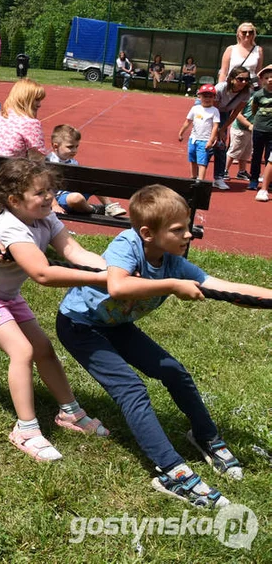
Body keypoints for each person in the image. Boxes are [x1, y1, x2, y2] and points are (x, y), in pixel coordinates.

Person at [56, 185, 272, 506]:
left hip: (115, 325)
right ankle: (171, 471)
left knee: (173, 371)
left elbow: (225, 288)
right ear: (147, 232)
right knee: (132, 389)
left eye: (188, 226)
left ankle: (205, 436)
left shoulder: (173, 262)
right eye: (178, 230)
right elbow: (117, 286)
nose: (188, 235)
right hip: (80, 325)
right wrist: (171, 286)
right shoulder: (127, 244)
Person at [0, 157, 110, 461]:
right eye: (40, 193)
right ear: (14, 200)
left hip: (6, 294)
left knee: (43, 349)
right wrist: (99, 278)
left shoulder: (46, 218)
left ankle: (70, 414)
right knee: (22, 351)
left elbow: (74, 252)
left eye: (50, 190)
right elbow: (43, 274)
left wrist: (112, 269)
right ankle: (25, 429)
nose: (49, 197)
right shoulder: (11, 227)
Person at [47, 124, 127, 217]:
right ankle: (93, 209)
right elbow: (45, 187)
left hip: (73, 191)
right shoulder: (50, 162)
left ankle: (109, 205)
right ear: (55, 146)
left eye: (77, 146)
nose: (74, 150)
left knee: (93, 179)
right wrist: (55, 205)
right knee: (76, 198)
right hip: (59, 198)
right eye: (70, 147)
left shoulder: (72, 161)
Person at [208, 65, 253, 190]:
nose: (243, 82)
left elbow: (235, 114)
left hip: (224, 114)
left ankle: (218, 178)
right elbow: (214, 111)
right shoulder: (221, 88)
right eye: (240, 79)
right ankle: (197, 176)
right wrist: (217, 130)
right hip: (210, 111)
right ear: (232, 79)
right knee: (208, 144)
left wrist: (223, 130)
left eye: (246, 79)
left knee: (221, 146)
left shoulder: (246, 93)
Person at [0, 78, 46, 160]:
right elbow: (39, 159)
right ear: (26, 100)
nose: (39, 105)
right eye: (37, 100)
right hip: (9, 170)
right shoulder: (31, 123)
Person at [178, 83, 220, 182]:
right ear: (199, 96)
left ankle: (200, 180)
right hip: (193, 139)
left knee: (202, 162)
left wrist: (211, 140)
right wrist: (181, 133)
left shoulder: (214, 111)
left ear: (214, 97)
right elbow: (188, 122)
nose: (207, 99)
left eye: (210, 96)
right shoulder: (195, 109)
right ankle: (193, 178)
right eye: (205, 96)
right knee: (192, 160)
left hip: (204, 140)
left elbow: (215, 126)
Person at [246, 64, 272, 201]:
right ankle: (254, 179)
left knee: (270, 158)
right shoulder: (258, 95)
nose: (270, 80)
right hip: (259, 130)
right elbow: (254, 109)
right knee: (256, 156)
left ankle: (269, 182)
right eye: (267, 77)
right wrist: (257, 124)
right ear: (262, 80)